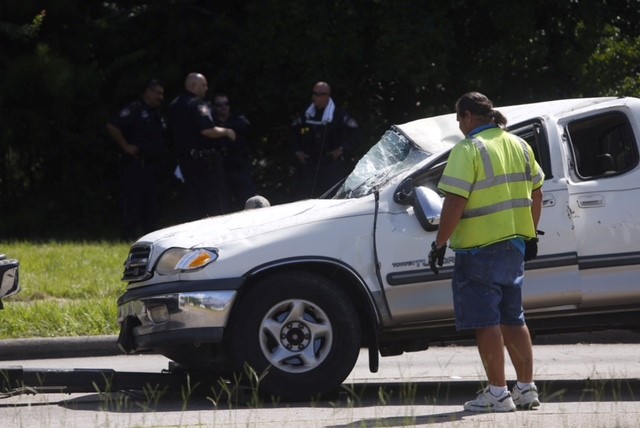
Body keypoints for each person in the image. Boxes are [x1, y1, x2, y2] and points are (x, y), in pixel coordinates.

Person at [428, 92, 544, 412]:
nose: (459, 125)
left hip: (479, 250)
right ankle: (525, 389)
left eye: (458, 119)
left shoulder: (468, 150)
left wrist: (440, 243)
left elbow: (455, 202)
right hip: (514, 246)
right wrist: (530, 234)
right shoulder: (519, 144)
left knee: (486, 321)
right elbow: (537, 193)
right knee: (513, 318)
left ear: (467, 116)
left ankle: (497, 393)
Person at [168, 73, 236, 221]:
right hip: (204, 162)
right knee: (216, 198)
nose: (206, 88)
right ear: (194, 86)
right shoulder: (197, 103)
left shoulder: (174, 105)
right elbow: (207, 130)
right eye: (203, 85)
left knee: (193, 200)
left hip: (185, 161)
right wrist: (227, 131)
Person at [106, 79, 168, 241]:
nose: (160, 97)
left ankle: (151, 239)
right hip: (135, 166)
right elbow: (112, 126)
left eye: (162, 93)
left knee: (152, 207)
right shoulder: (135, 109)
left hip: (152, 167)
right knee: (132, 204)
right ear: (148, 91)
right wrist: (125, 146)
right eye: (157, 93)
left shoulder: (157, 113)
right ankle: (127, 238)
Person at [291, 81, 359, 198]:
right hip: (309, 164)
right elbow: (293, 133)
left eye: (318, 94)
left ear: (327, 96)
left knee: (331, 197)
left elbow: (356, 133)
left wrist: (342, 149)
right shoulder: (307, 115)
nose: (315, 97)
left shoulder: (338, 115)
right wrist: (297, 151)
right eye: (313, 94)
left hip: (331, 165)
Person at [211, 92, 257, 211]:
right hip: (221, 170)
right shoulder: (212, 124)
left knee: (247, 200)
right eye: (219, 105)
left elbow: (246, 130)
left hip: (239, 167)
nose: (223, 107)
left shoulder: (239, 120)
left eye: (226, 104)